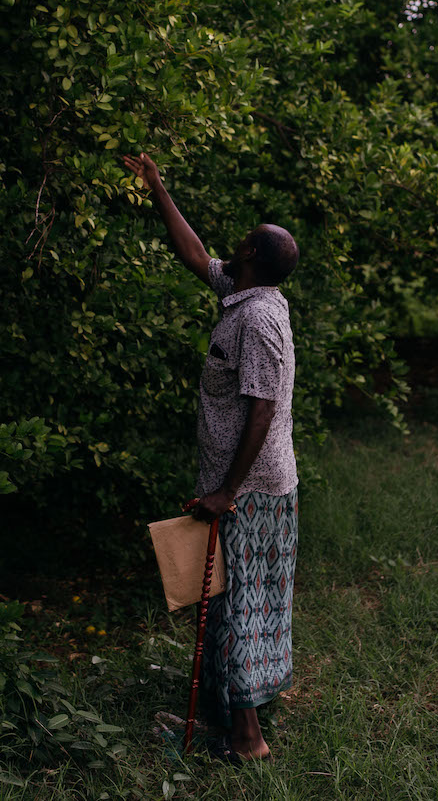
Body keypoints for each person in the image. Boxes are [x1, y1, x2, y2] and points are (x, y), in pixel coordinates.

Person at [121, 151, 300, 763]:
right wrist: (156, 186)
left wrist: (226, 490)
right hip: (247, 483)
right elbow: (195, 255)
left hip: (248, 489)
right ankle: (228, 716)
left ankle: (247, 740)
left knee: (238, 604)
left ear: (253, 256)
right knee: (236, 600)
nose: (235, 244)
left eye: (246, 240)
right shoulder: (245, 293)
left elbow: (262, 411)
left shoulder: (257, 323)